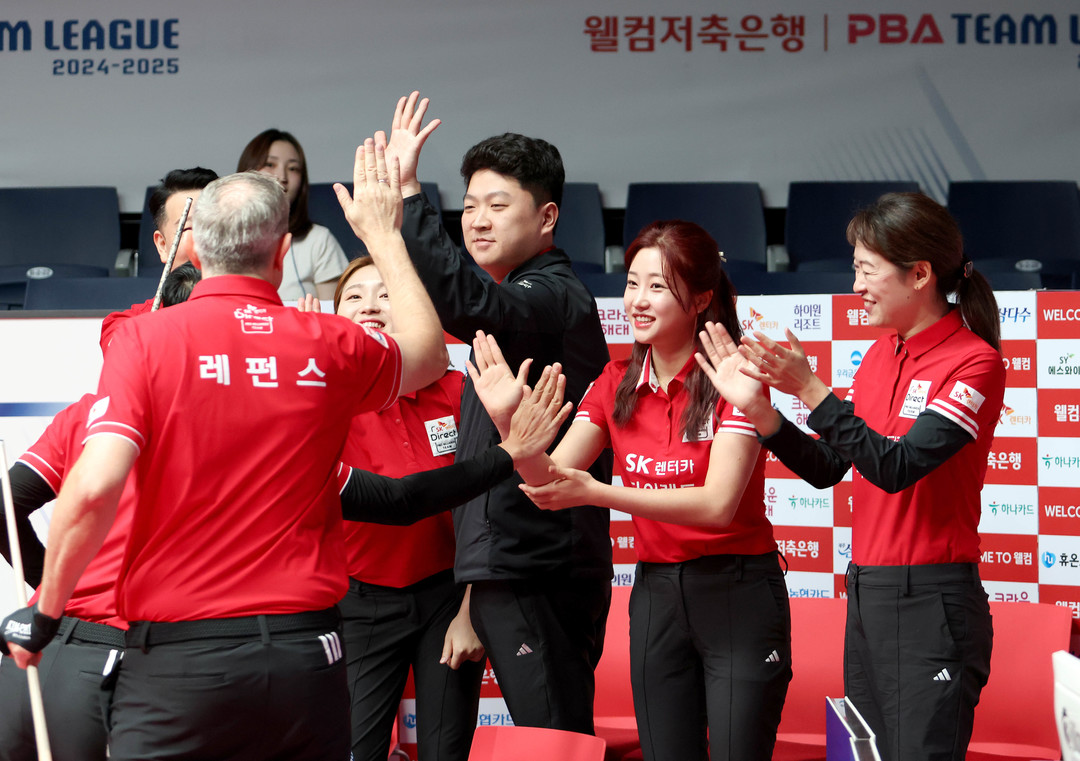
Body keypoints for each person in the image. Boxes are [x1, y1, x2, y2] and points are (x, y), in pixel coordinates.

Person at [0, 143, 449, 761]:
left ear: (194, 252)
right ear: (283, 253)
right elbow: (429, 352)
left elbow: (95, 486)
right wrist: (384, 237)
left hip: (183, 658)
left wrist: (46, 611)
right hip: (307, 655)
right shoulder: (328, 342)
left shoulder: (143, 340)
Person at [695, 192, 1004, 761]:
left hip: (931, 600)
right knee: (863, 754)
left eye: (867, 270)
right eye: (854, 268)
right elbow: (829, 467)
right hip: (867, 592)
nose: (856, 285)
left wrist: (810, 388)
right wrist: (762, 413)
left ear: (919, 274)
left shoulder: (974, 361)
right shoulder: (881, 354)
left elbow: (895, 468)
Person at [484, 219, 791, 761]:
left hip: (738, 591)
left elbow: (717, 506)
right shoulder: (614, 380)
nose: (638, 301)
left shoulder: (737, 379)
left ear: (701, 299)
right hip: (656, 597)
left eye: (658, 286)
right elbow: (548, 482)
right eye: (631, 284)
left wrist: (599, 493)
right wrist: (510, 425)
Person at [382, 91, 613, 733]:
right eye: (470, 206)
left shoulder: (551, 296)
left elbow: (472, 303)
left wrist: (407, 196)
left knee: (556, 739)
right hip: (509, 566)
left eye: (498, 205)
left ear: (547, 217)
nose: (478, 221)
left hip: (541, 566)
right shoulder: (519, 297)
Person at [0, 264, 201, 761]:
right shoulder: (221, 419)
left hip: (36, 654)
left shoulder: (88, 410)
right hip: (118, 657)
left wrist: (53, 582)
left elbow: (3, 504)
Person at [330, 255, 484, 761]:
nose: (371, 305)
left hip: (449, 596)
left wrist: (471, 609)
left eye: (386, 293)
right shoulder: (322, 397)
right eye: (354, 296)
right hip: (359, 599)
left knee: (446, 750)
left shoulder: (459, 391)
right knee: (357, 749)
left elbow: (489, 509)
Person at [99, 167, 218, 354]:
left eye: (216, 226)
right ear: (162, 245)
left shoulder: (257, 318)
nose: (205, 239)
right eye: (189, 228)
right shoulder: (127, 325)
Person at [237, 128, 349, 302]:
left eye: (293, 168)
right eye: (270, 164)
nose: (282, 177)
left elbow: (334, 311)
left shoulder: (318, 240)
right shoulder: (224, 237)